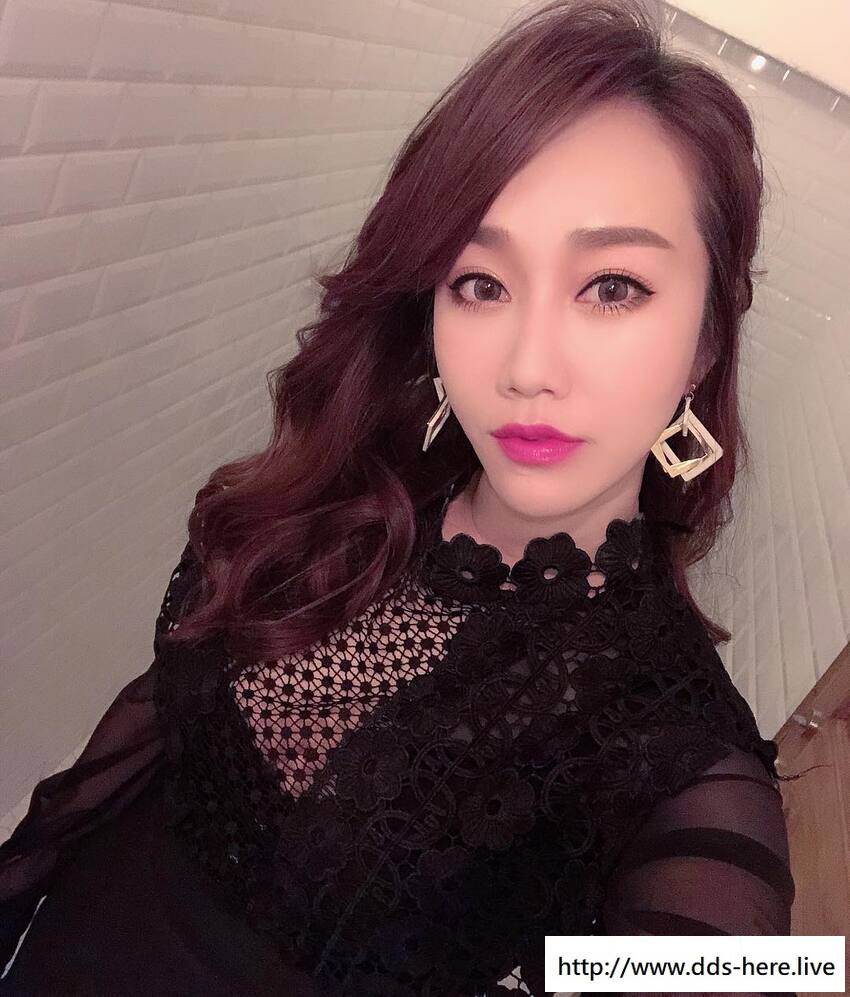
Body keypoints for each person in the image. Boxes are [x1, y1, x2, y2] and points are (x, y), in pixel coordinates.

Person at [1, 1, 797, 994]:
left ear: (706, 339)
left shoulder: (680, 758)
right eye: (480, 282)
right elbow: (153, 729)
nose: (527, 367)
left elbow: (712, 952)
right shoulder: (346, 497)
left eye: (612, 287)